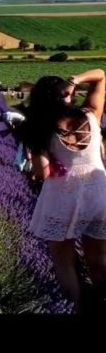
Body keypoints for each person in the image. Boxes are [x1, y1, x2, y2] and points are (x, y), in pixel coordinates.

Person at [22, 69, 106, 313]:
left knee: (63, 260)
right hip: (98, 195)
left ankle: (77, 307)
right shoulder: (91, 115)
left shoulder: (40, 128)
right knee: (99, 262)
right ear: (66, 95)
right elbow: (101, 75)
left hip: (63, 198)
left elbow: (43, 173)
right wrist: (74, 81)